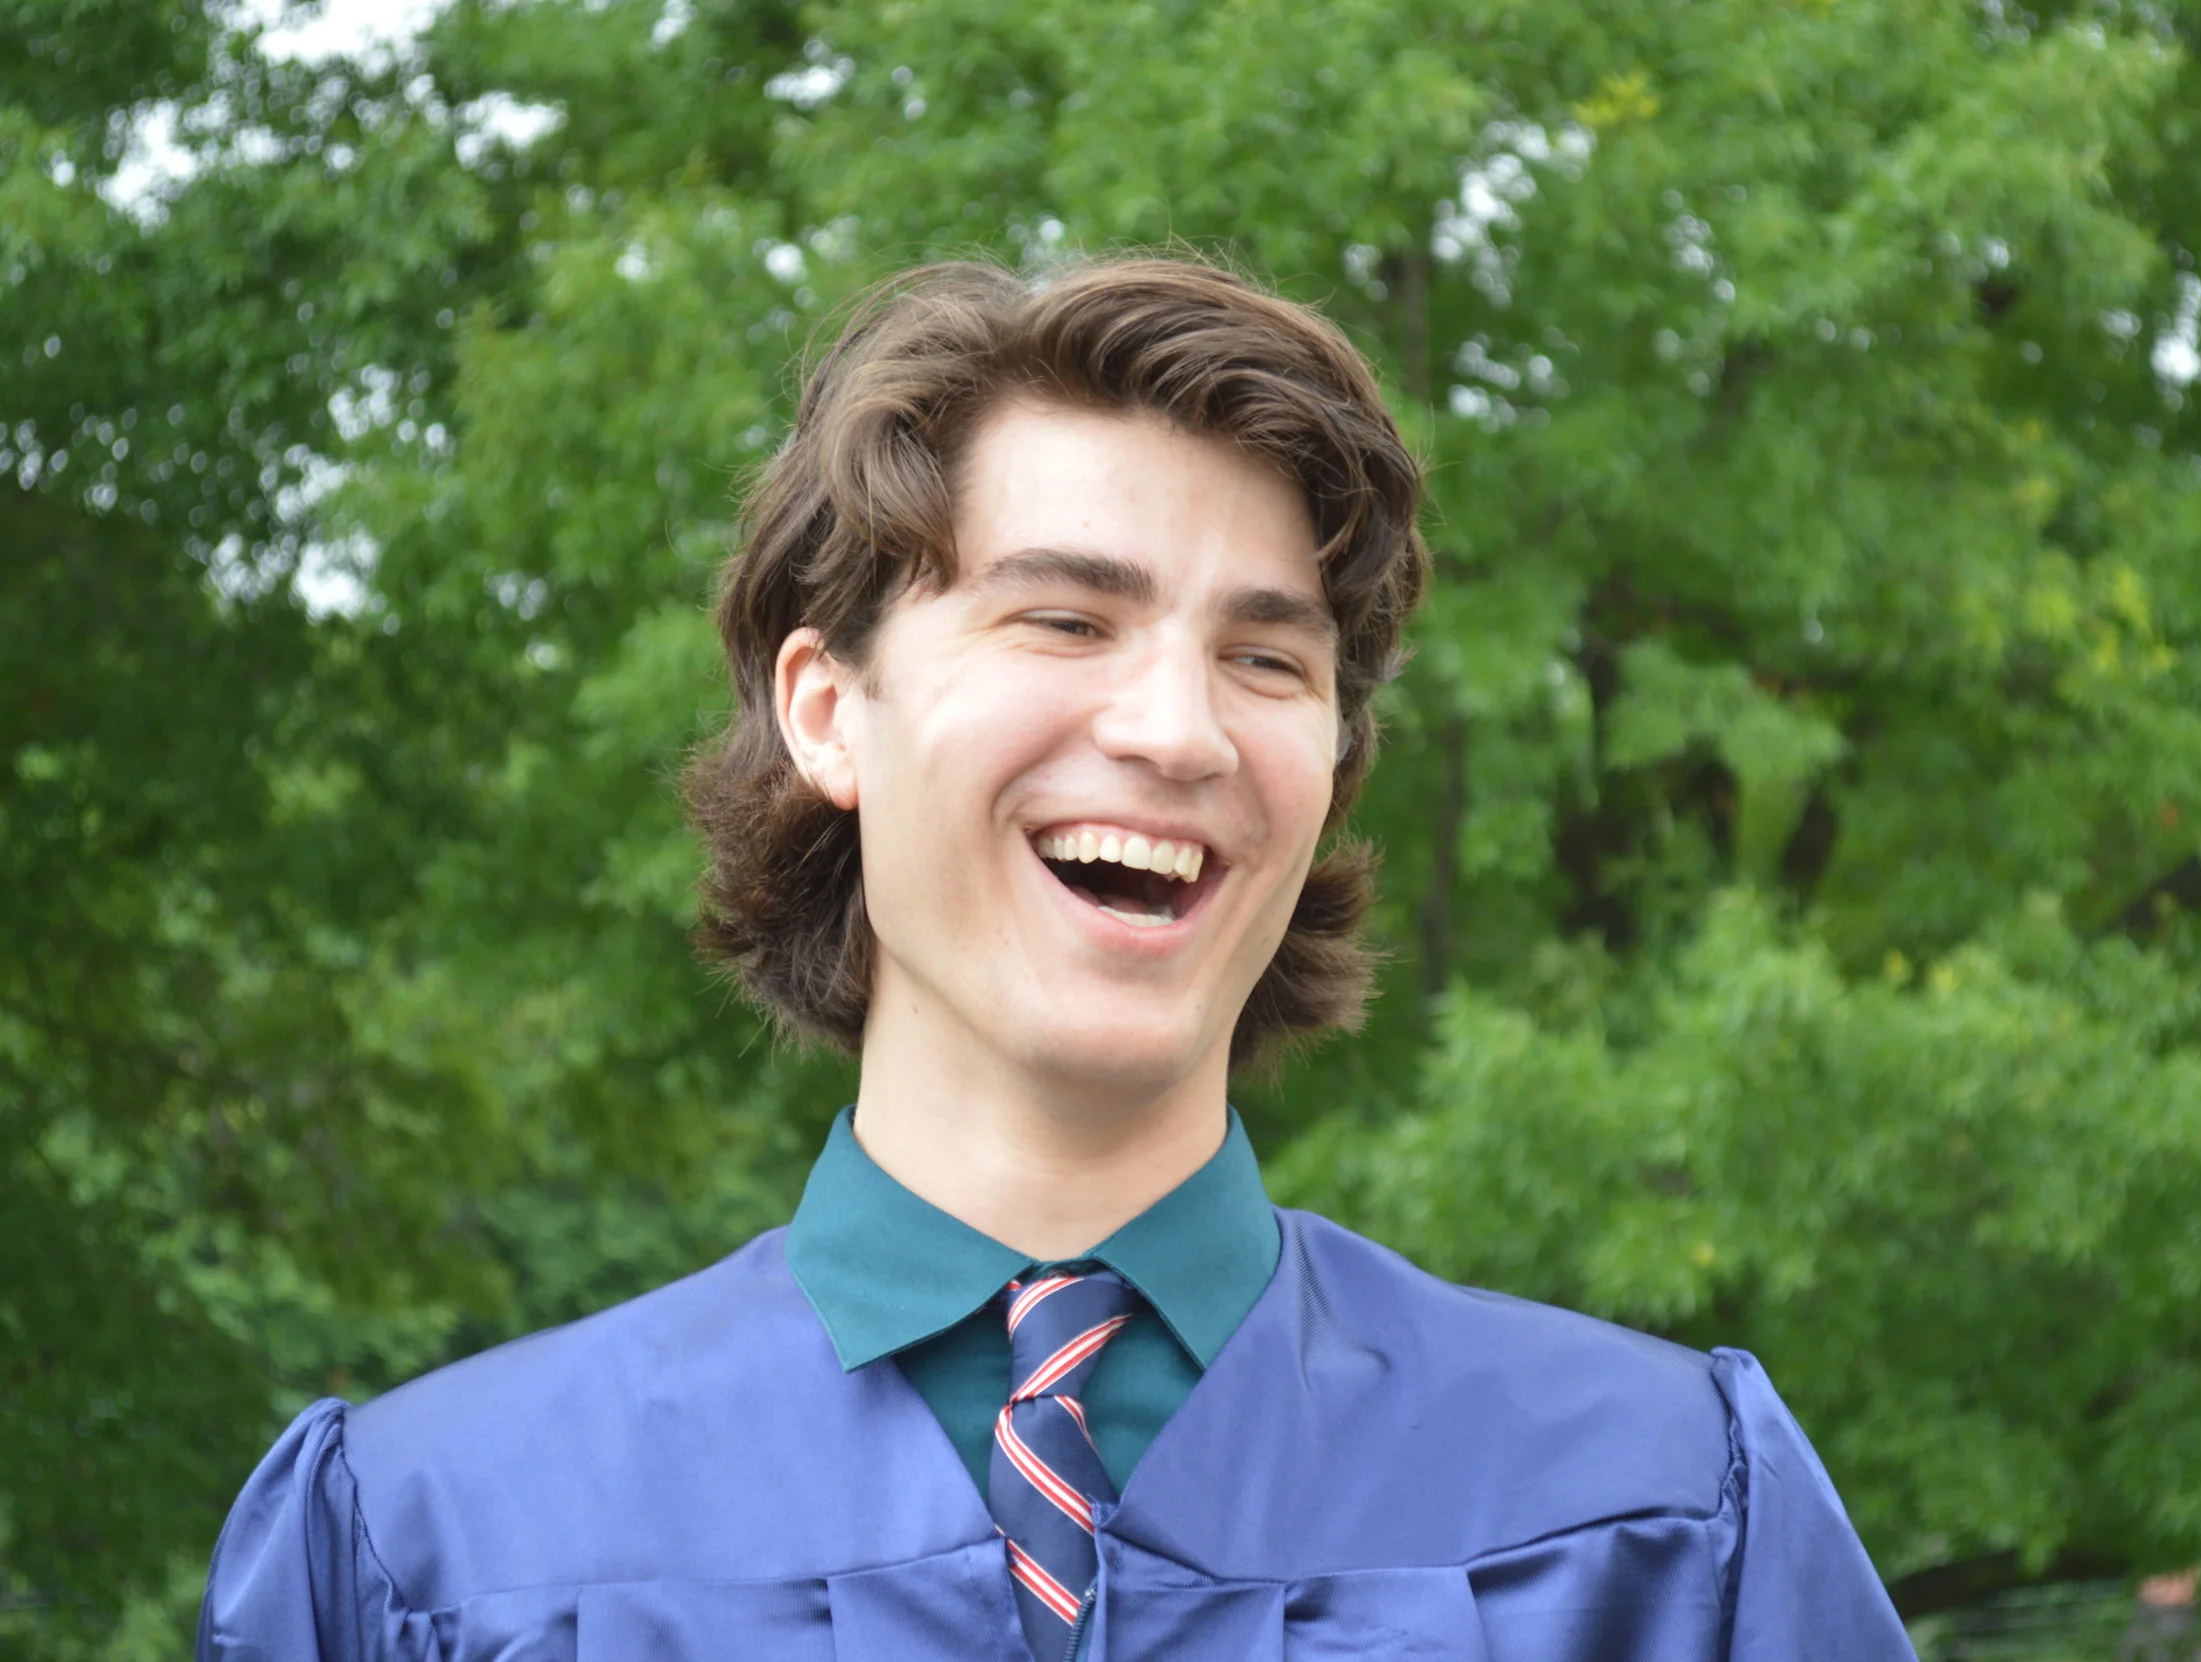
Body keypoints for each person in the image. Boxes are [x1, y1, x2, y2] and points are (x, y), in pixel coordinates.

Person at [197, 256, 1918, 1661]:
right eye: (1066, 619)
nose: (1176, 728)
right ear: (829, 708)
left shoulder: (1662, 1520)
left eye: (1267, 659)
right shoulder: (427, 1550)